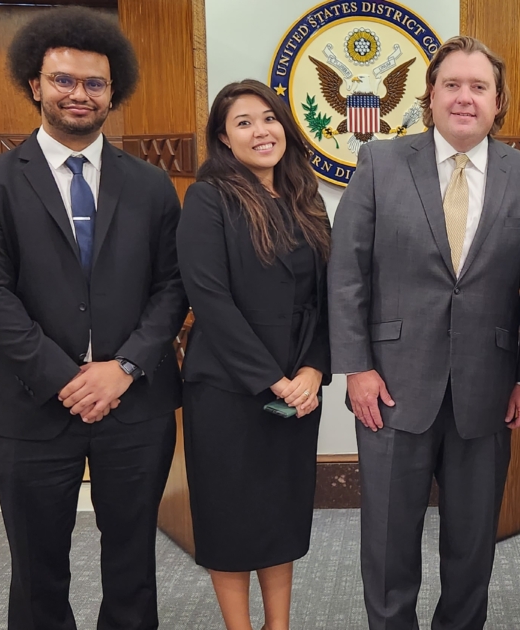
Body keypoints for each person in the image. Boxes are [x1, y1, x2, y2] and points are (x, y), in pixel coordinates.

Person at [0, 8, 186, 629]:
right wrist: (67, 379)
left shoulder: (151, 186)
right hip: (29, 407)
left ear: (114, 91)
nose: (79, 94)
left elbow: (173, 289)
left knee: (133, 561)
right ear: (35, 84)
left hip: (134, 405)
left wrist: (125, 368)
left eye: (94, 83)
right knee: (37, 567)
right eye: (64, 80)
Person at [328, 35, 520, 630]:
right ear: (429, 96)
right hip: (391, 387)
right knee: (387, 542)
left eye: (479, 87)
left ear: (498, 102)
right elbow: (348, 272)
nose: (464, 97)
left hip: (489, 387)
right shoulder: (380, 161)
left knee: (472, 543)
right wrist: (356, 367)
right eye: (452, 85)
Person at [177, 80, 331, 630]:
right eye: (243, 122)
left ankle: (279, 625)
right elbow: (208, 298)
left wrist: (312, 369)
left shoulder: (303, 199)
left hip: (297, 386)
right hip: (227, 388)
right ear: (223, 136)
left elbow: (325, 297)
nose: (260, 131)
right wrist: (271, 379)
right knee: (230, 515)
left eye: (268, 118)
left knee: (281, 511)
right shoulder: (209, 197)